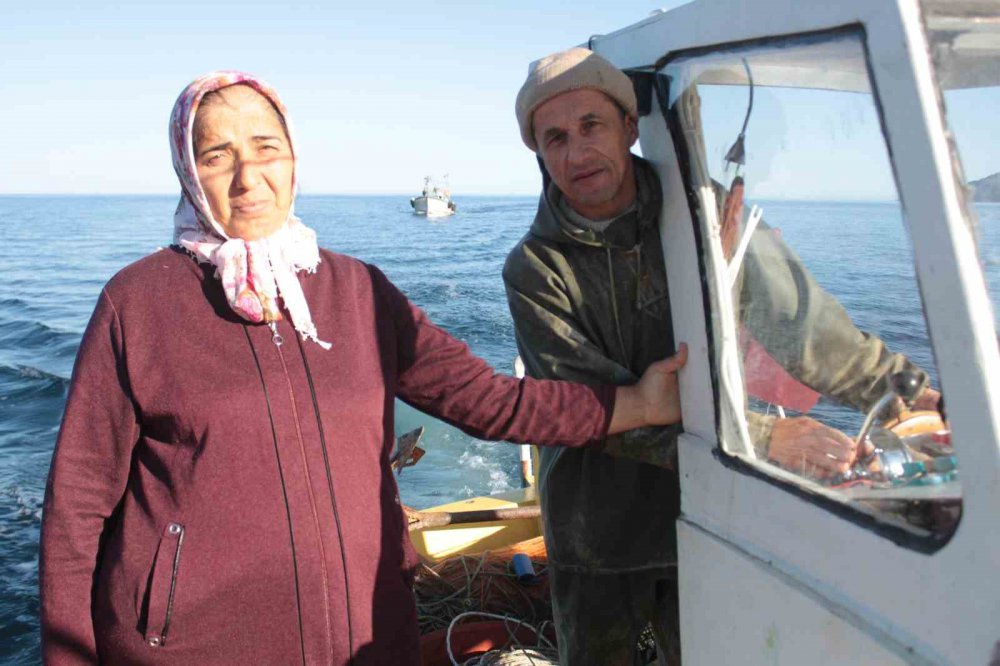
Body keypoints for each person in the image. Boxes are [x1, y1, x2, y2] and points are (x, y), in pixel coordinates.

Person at [38, 71, 688, 665]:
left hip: (364, 639)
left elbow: (490, 401)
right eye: (217, 155)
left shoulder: (357, 291)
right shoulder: (138, 303)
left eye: (266, 148)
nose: (248, 177)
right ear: (187, 169)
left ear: (293, 159)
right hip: (192, 650)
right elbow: (77, 511)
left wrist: (636, 404)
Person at [503, 48, 940, 665]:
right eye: (555, 138)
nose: (576, 153)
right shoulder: (534, 268)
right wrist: (761, 437)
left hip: (708, 509)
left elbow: (808, 332)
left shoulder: (706, 215)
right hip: (595, 530)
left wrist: (913, 397)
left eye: (591, 126)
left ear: (630, 126)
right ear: (539, 153)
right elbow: (593, 411)